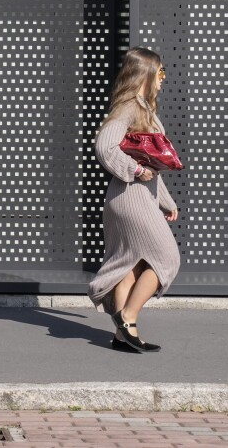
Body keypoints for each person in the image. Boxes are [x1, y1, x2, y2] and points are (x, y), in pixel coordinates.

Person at [87, 47, 181, 353]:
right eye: (161, 72)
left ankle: (122, 336)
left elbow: (153, 167)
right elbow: (104, 146)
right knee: (167, 258)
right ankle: (127, 316)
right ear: (147, 73)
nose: (164, 79)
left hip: (135, 196)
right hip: (130, 196)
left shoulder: (144, 108)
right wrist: (136, 169)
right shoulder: (129, 107)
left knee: (134, 263)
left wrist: (165, 200)